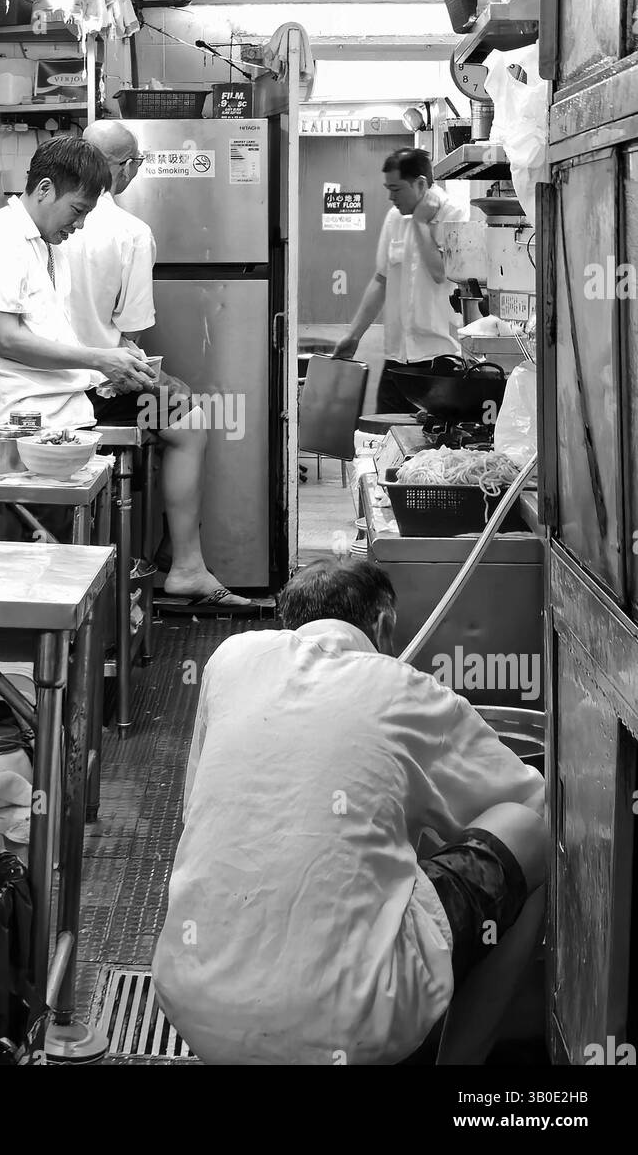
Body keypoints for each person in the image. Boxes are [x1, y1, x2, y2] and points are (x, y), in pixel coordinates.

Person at [152, 558, 546, 1066]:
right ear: (383, 625)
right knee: (529, 833)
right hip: (352, 1023)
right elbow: (531, 800)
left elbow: (199, 811)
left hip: (192, 1001)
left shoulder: (229, 660)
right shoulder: (407, 689)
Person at [64, 119, 250, 607]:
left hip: (35, 388)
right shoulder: (129, 231)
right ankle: (186, 564)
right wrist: (167, 380)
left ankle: (158, 552)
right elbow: (131, 338)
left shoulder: (33, 222)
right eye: (137, 163)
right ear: (123, 168)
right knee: (192, 418)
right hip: (90, 397)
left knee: (173, 397)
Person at [0, 135, 156, 426]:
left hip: (58, 406)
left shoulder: (46, 245)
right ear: (45, 189)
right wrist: (100, 359)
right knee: (178, 411)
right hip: (11, 415)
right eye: (77, 211)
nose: (79, 225)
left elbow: (45, 335)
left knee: (173, 407)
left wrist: (108, 367)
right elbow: (7, 339)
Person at [332, 148, 468, 414]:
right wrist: (353, 335)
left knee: (433, 450)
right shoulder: (395, 218)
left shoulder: (454, 214)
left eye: (396, 189)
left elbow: (440, 273)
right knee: (386, 445)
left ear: (420, 184)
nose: (390, 197)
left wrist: (419, 224)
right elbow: (381, 279)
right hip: (396, 357)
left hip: (438, 361)